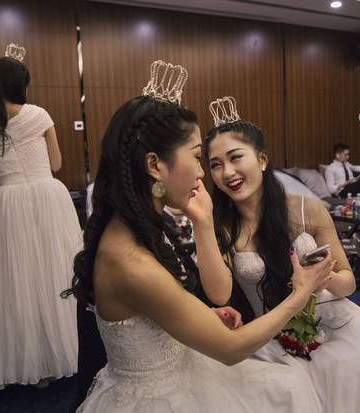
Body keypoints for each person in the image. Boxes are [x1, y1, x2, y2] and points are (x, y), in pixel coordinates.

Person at [66, 61, 330, 412]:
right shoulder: (130, 261)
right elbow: (230, 349)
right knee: (286, 387)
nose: (204, 172)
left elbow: (162, 308)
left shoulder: (137, 226)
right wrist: (301, 294)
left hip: (180, 364)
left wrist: (202, 316)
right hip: (157, 398)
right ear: (154, 166)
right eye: (197, 157)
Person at [203, 99, 360, 412]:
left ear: (263, 159)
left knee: (358, 381)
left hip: (333, 329)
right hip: (267, 339)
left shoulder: (307, 209)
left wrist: (324, 277)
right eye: (215, 164)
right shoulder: (221, 227)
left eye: (235, 157)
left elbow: (348, 283)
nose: (227, 172)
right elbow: (219, 294)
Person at [0, 56, 82, 390]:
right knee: (57, 275)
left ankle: (32, 366)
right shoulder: (39, 114)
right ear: (20, 85)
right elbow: (56, 163)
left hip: (6, 203)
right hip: (50, 196)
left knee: (17, 285)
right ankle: (68, 353)